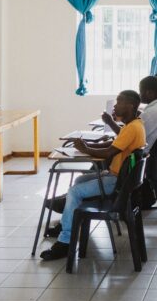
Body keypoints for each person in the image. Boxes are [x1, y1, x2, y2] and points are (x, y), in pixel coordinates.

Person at [40, 90, 146, 260]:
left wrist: (86, 149)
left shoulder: (132, 127)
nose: (116, 105)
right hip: (119, 178)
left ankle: (66, 241)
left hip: (117, 182)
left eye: (119, 102)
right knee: (80, 180)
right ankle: (71, 223)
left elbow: (109, 153)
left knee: (75, 191)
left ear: (131, 105)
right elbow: (113, 143)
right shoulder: (134, 124)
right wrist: (88, 145)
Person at [101, 76, 157, 152]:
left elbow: (126, 137)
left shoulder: (152, 112)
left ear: (149, 93)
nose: (139, 95)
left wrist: (110, 122)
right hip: (149, 153)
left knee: (101, 154)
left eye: (141, 91)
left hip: (138, 155)